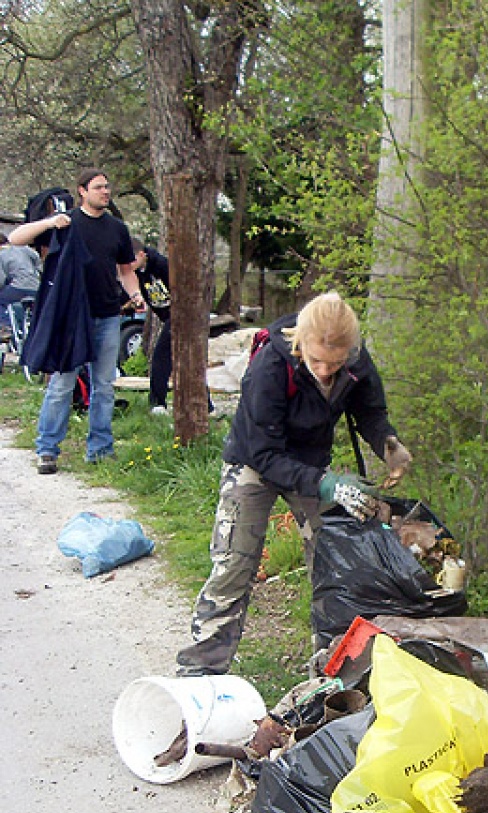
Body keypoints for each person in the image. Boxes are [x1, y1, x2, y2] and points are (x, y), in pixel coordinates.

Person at [175, 291, 414, 676]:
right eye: (316, 360)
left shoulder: (355, 359)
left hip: (311, 464)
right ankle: (202, 669)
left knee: (334, 563)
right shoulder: (271, 363)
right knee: (233, 562)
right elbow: (263, 453)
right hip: (254, 462)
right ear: (300, 341)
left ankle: (332, 669)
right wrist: (327, 484)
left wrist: (387, 442)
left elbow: (370, 410)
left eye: (334, 364)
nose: (323, 371)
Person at [8, 168, 144, 474]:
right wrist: (48, 222)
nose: (105, 192)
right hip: (72, 316)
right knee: (62, 383)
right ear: (82, 191)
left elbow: (125, 270)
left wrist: (136, 295)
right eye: (98, 187)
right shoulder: (66, 223)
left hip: (108, 314)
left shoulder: (117, 229)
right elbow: (15, 238)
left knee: (104, 386)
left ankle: (99, 450)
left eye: (108, 187)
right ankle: (47, 449)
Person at [129, 239, 172, 413]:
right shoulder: (135, 274)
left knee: (161, 356)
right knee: (180, 360)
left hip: (179, 315)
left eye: (130, 260)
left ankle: (158, 402)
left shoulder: (162, 265)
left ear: (142, 255)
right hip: (166, 317)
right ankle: (206, 405)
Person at [0, 239, 41, 349]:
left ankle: (6, 327)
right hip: (36, 287)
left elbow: (1, 279)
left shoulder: (2, 254)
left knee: (2, 300)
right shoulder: (26, 249)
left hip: (18, 287)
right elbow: (38, 263)